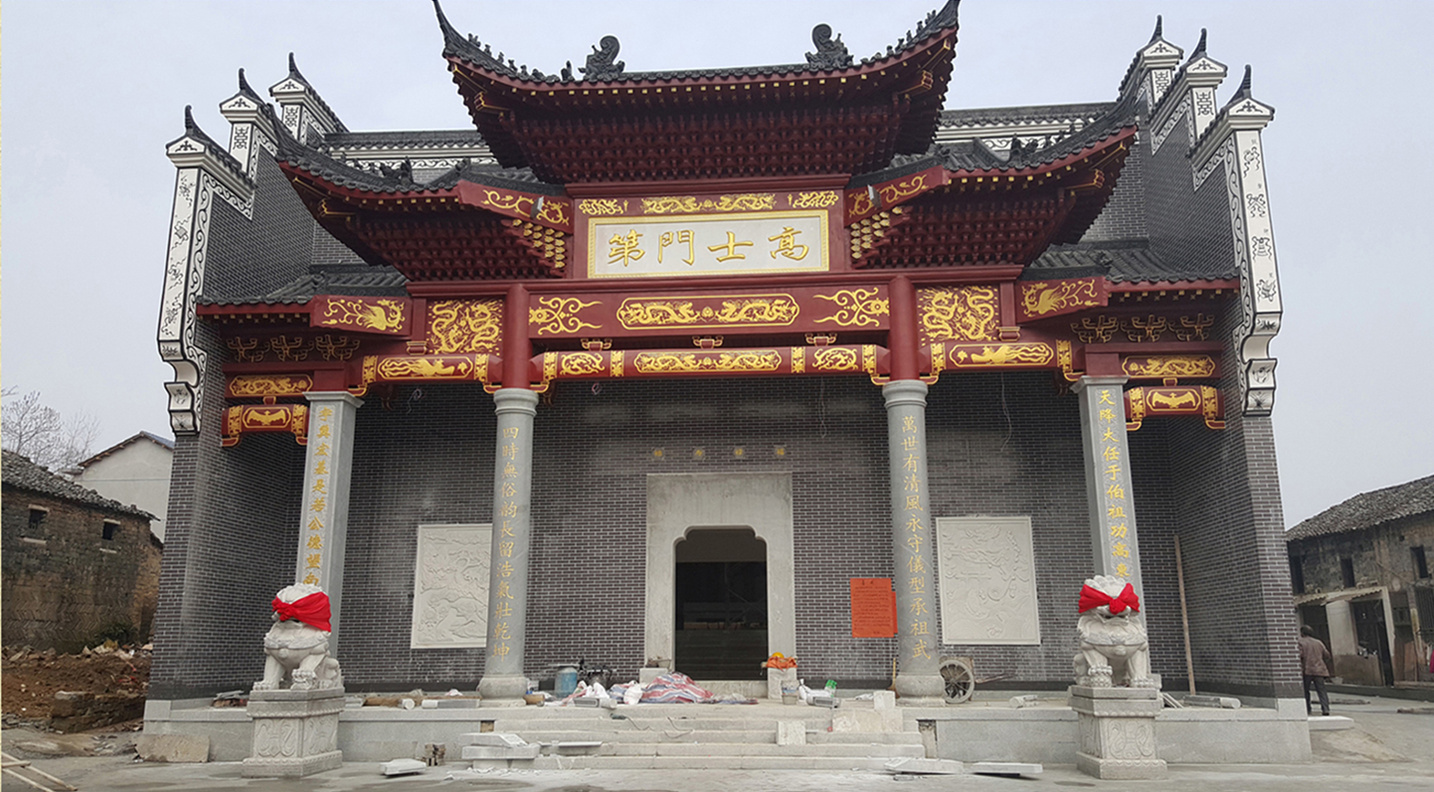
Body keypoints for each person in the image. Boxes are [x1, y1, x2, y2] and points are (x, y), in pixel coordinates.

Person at [1298, 625, 1332, 717]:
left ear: (1302, 633)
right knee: (1321, 690)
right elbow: (1327, 655)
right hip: (1319, 670)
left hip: (1307, 669)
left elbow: (1300, 655)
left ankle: (1308, 708)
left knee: (1306, 690)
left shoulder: (1300, 642)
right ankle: (1325, 708)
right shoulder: (1319, 643)